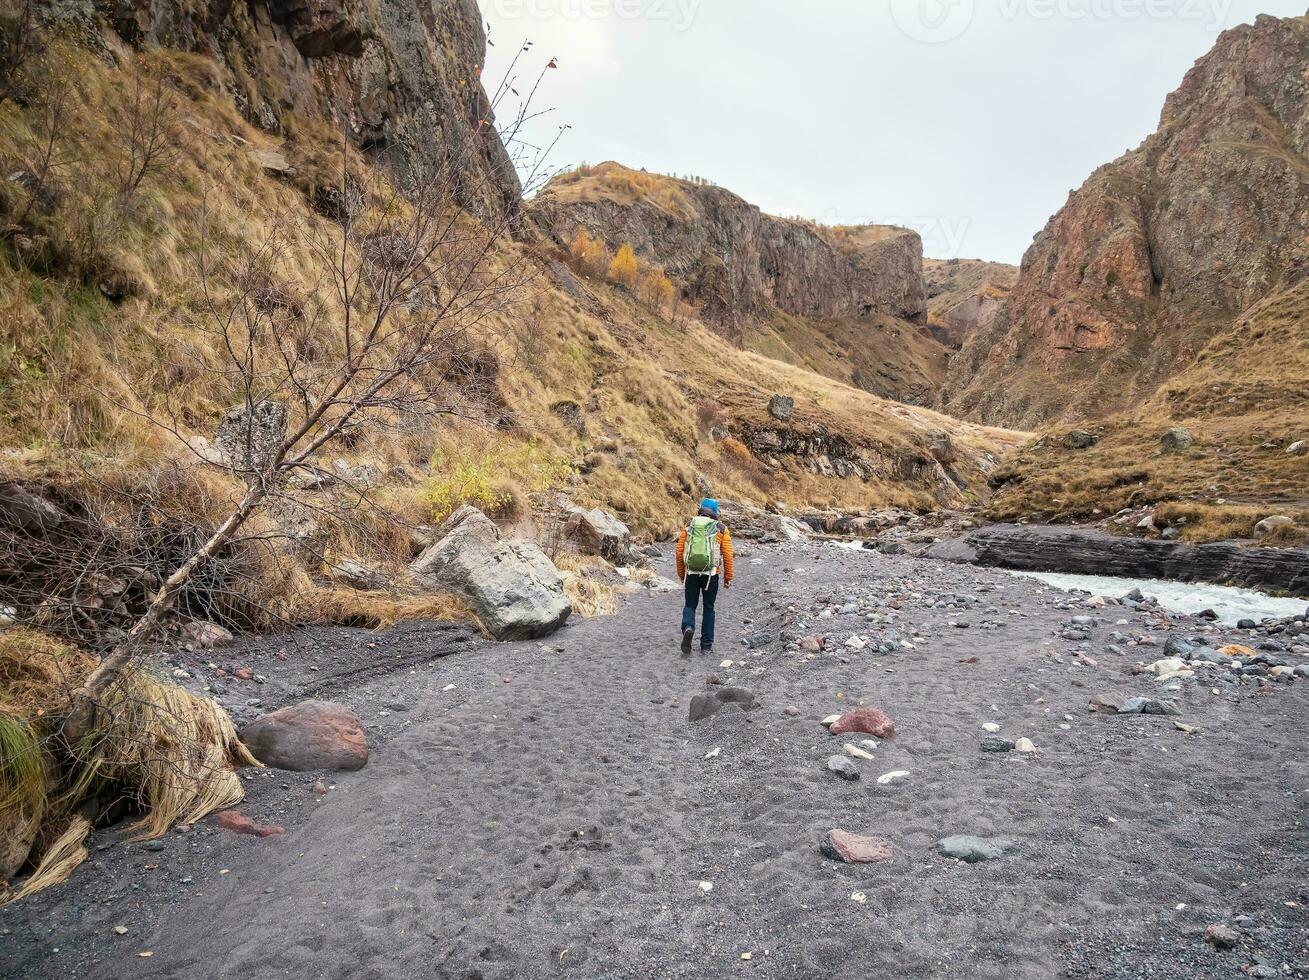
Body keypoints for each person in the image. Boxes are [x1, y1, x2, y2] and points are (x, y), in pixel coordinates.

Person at [675, 498, 734, 655]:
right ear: (715, 511)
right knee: (709, 608)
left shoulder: (690, 526)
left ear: (701, 509)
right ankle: (706, 645)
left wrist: (682, 574)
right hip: (711, 575)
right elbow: (728, 554)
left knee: (690, 605)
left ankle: (688, 627)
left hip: (691, 572)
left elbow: (679, 551)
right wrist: (728, 577)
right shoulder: (721, 528)